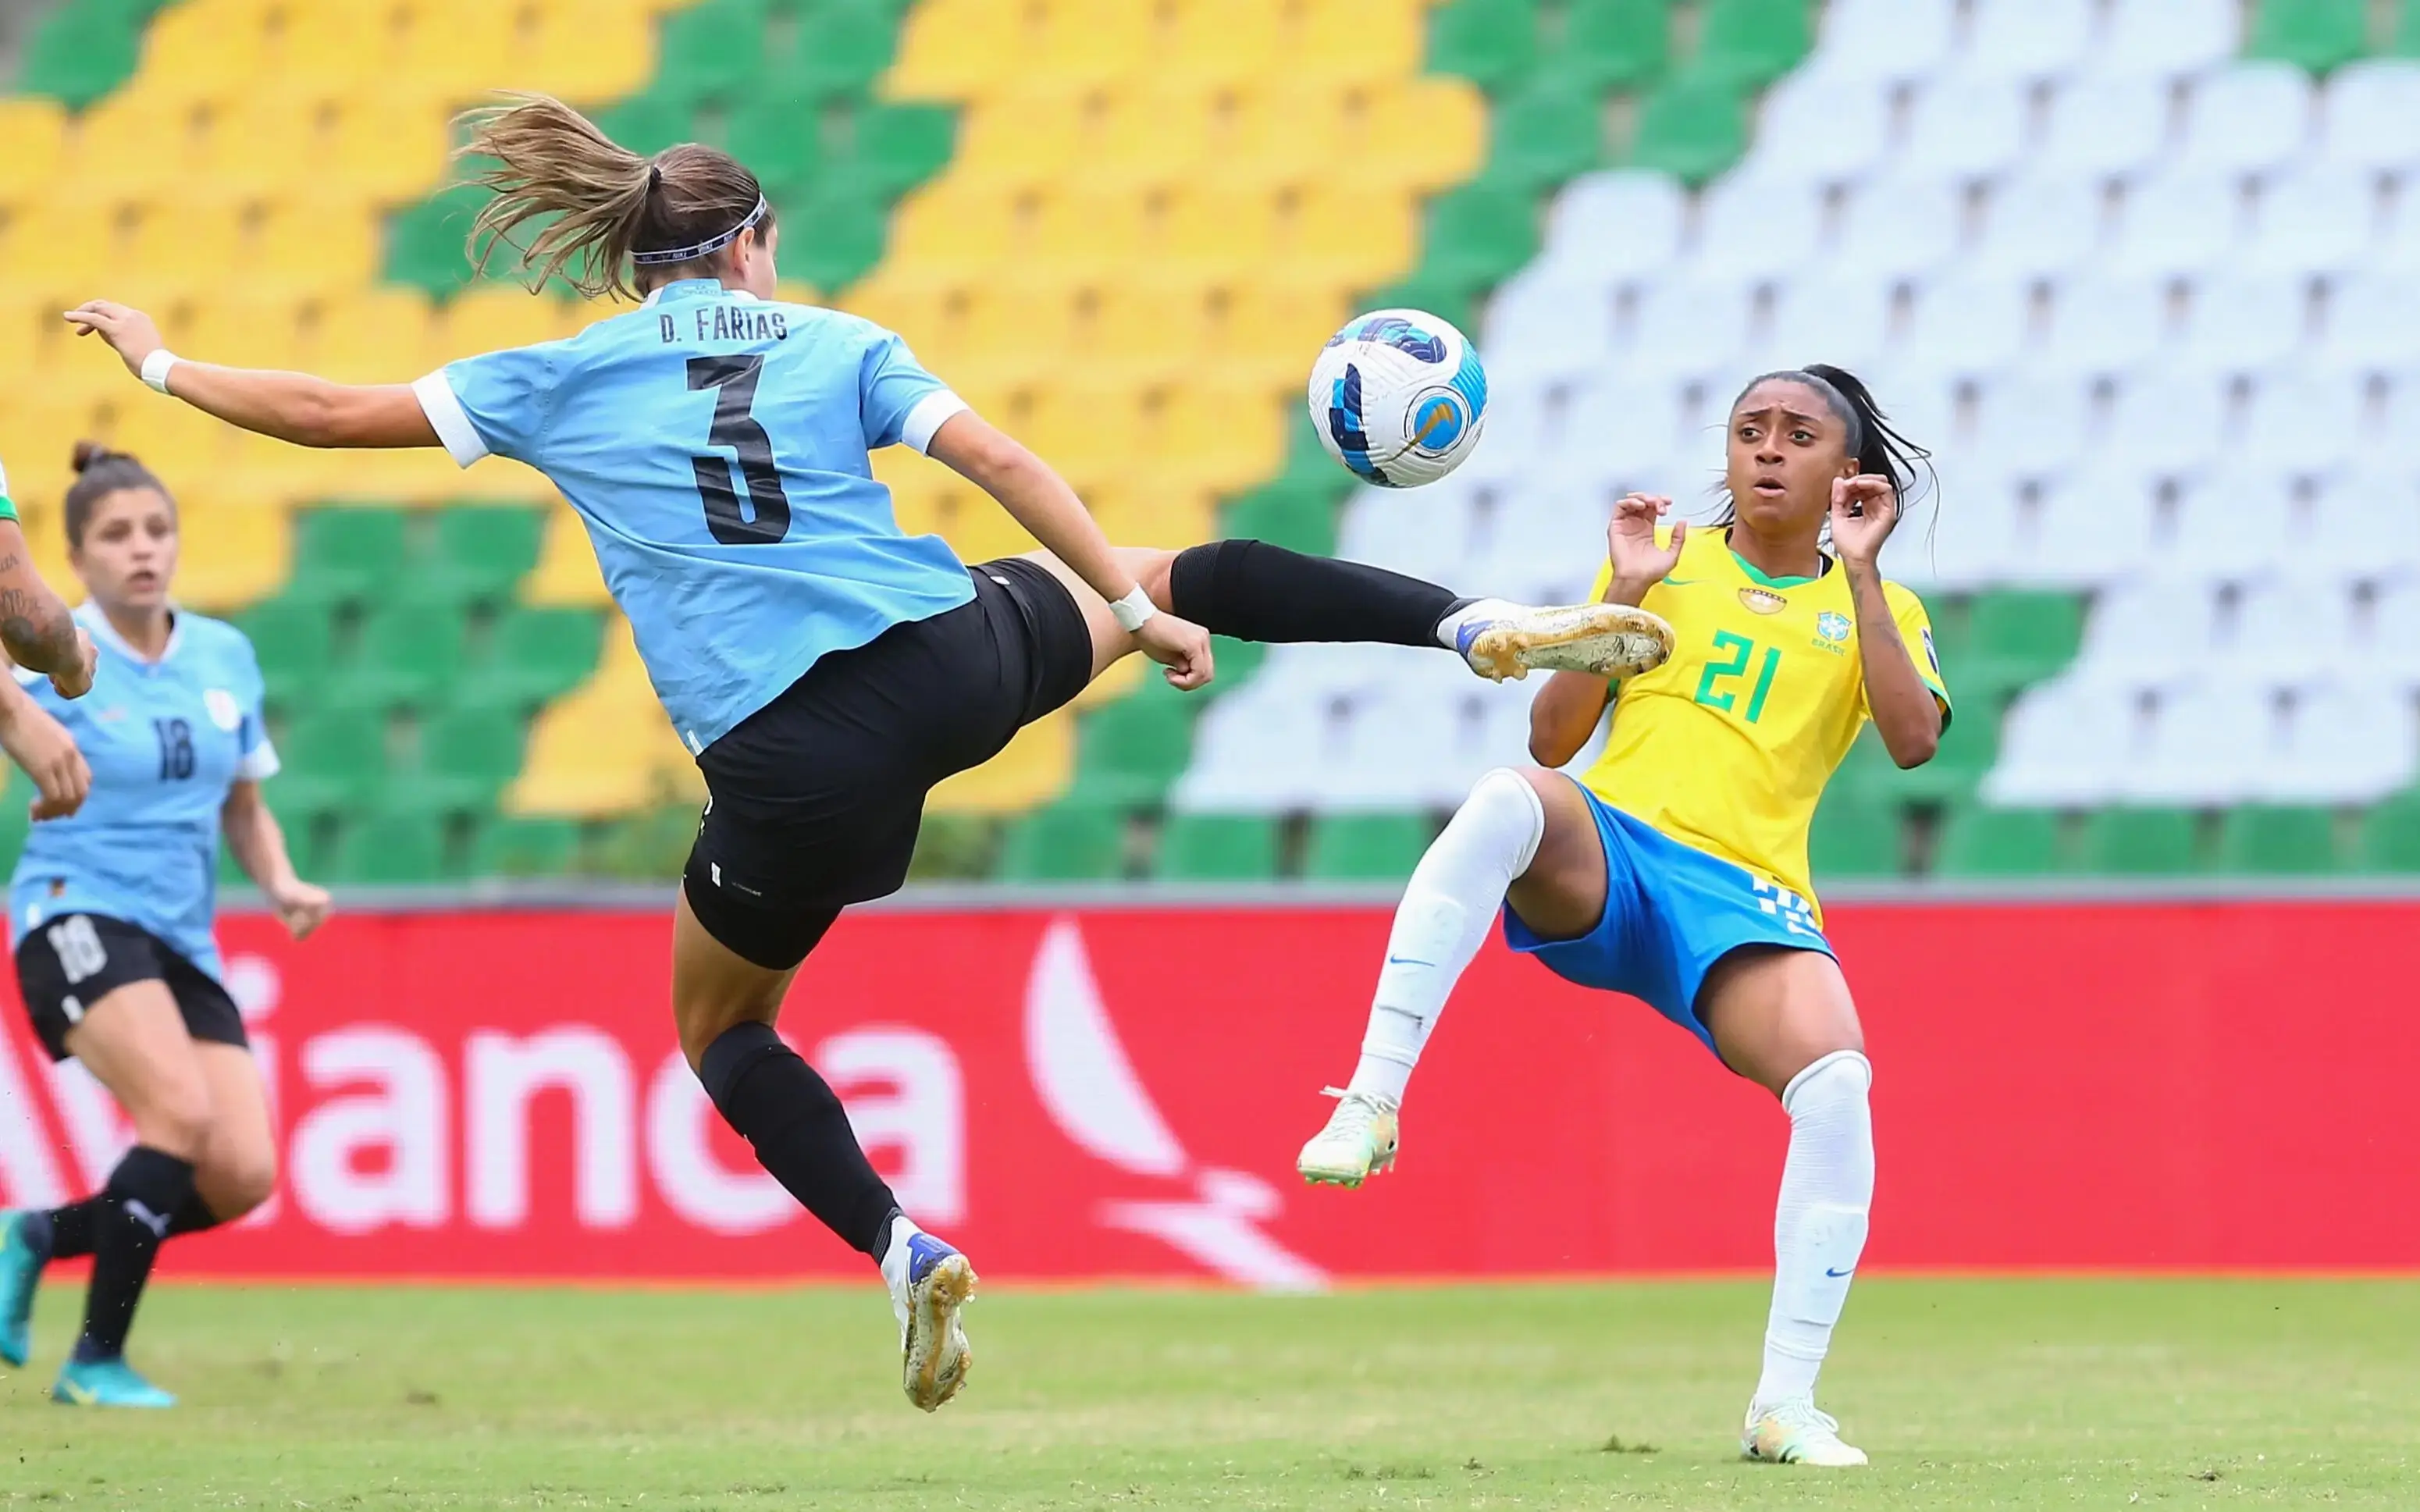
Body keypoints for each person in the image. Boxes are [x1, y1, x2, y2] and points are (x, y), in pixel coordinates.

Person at [59, 93, 1673, 1412]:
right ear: (753, 243)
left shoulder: (559, 376)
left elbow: (333, 411)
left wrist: (160, 364)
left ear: (638, 257)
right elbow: (1004, 457)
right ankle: (1468, 622)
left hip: (785, 763)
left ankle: (900, 1246)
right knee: (1192, 574)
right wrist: (1123, 601)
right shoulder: (835, 340)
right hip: (948, 660)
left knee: (720, 1028)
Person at [1294, 366, 1949, 1467]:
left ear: (1848, 469)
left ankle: (1784, 1405)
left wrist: (1872, 574)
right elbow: (1553, 740)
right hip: (1617, 850)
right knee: (1509, 794)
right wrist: (1628, 593)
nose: (1770, 451)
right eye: (1751, 432)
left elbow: (1913, 741)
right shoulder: (1667, 557)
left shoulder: (1879, 605)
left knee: (1838, 1084)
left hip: (1748, 896)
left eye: (1799, 434)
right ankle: (1373, 1096)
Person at [0, 444, 331, 1408]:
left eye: (157, 529)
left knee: (239, 1173)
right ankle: (95, 1361)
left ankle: (33, 1238)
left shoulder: (225, 654)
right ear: (73, 556)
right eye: (115, 535)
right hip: (77, 909)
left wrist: (282, 880)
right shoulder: (57, 650)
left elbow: (243, 803)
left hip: (183, 935)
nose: (142, 550)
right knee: (178, 1117)